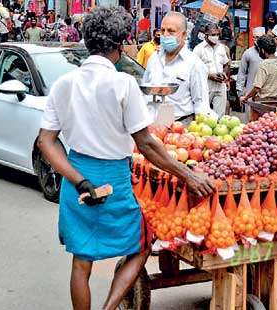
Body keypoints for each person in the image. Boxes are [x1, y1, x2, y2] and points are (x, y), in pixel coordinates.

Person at [37, 7, 214, 310]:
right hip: (115, 179)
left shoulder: (64, 84)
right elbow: (145, 142)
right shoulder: (123, 84)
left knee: (81, 262)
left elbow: (46, 142)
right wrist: (186, 174)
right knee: (143, 244)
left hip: (76, 178)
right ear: (120, 46)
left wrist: (79, 181)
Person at [142, 11, 211, 123]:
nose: (165, 35)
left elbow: (201, 105)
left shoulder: (194, 64)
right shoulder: (154, 58)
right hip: (152, 126)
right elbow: (145, 91)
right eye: (163, 30)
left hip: (180, 128)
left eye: (171, 31)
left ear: (184, 35)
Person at [239, 35, 277, 104]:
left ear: (262, 50)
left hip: (263, 103)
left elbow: (256, 88)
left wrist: (246, 98)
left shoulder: (264, 64)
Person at [193, 23, 230, 117]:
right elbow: (194, 70)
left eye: (217, 34)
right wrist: (209, 75)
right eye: (213, 35)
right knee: (203, 116)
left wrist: (225, 75)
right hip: (205, 87)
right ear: (206, 35)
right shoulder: (198, 49)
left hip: (220, 86)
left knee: (220, 116)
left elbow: (226, 64)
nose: (216, 37)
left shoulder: (221, 47)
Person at [236, 26, 265, 98]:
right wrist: (240, 92)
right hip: (250, 92)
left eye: (258, 37)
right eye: (254, 37)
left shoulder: (270, 52)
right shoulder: (248, 53)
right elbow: (241, 73)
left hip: (266, 92)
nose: (256, 40)